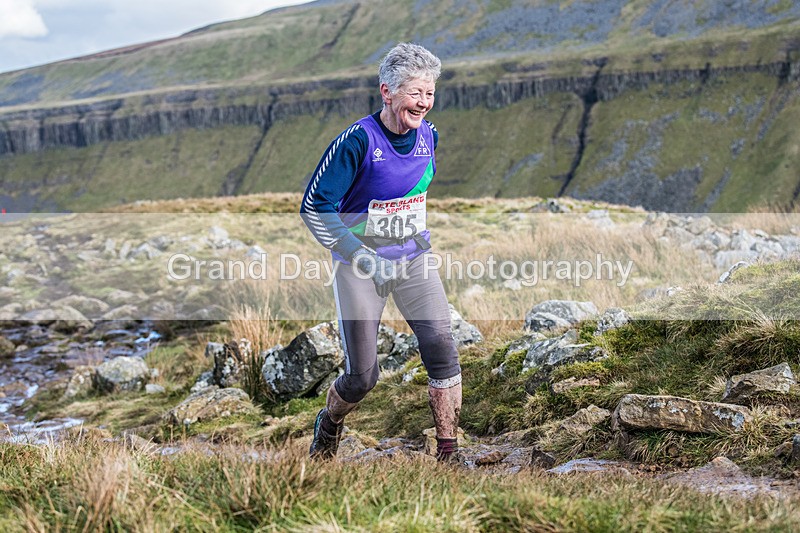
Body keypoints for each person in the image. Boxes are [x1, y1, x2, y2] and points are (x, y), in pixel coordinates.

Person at [300, 42, 462, 462]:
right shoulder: (357, 140)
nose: (424, 103)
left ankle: (448, 454)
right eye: (415, 93)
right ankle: (330, 422)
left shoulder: (430, 136)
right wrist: (361, 255)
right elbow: (315, 206)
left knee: (441, 344)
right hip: (360, 267)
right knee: (362, 377)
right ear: (387, 91)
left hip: (413, 258)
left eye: (429, 93)